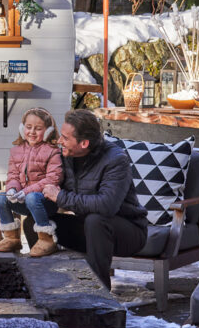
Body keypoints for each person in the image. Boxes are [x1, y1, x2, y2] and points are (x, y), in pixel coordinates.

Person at [29, 109, 147, 290]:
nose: (60, 141)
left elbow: (106, 205)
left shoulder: (116, 160)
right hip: (86, 228)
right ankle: (46, 286)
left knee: (96, 221)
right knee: (34, 222)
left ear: (84, 143)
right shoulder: (65, 156)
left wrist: (60, 197)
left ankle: (99, 295)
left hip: (128, 232)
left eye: (65, 138)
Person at [0, 108, 64, 256]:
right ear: (22, 128)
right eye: (28, 127)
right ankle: (12, 238)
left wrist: (26, 192)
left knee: (32, 197)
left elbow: (53, 178)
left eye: (38, 129)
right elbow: (12, 175)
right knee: (1, 198)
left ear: (47, 131)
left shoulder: (53, 151)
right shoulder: (15, 151)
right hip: (24, 200)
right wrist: (12, 189)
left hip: (45, 202)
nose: (32, 132)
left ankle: (46, 239)